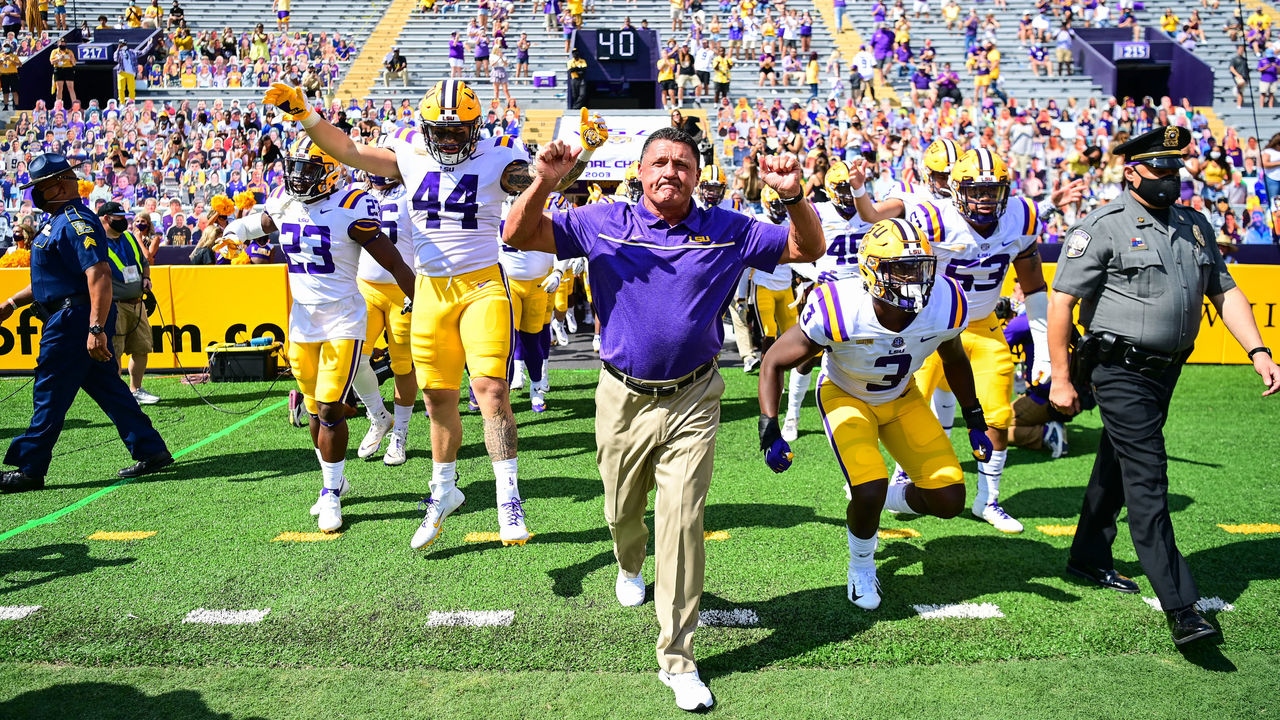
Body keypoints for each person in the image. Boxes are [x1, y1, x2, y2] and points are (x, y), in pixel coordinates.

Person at [502, 126, 824, 712]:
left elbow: (806, 250)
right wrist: (546, 182)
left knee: (682, 523)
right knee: (622, 509)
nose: (670, 171)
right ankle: (629, 561)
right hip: (620, 395)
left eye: (681, 162)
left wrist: (794, 197)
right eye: (659, 162)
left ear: (697, 176)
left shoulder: (730, 229)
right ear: (641, 171)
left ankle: (678, 658)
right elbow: (518, 233)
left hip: (695, 400)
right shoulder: (601, 222)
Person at [264, 80, 596, 549]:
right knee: (438, 401)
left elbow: (555, 181)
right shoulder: (409, 153)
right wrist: (305, 115)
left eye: (458, 131)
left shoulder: (499, 156)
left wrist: (576, 159)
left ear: (474, 126)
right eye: (441, 131)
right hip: (430, 292)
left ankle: (509, 498)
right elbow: (350, 150)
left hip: (482, 285)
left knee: (491, 391)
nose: (449, 140)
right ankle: (443, 490)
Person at [1047, 126, 1280, 647]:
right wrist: (1061, 378)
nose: (1171, 179)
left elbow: (1225, 291)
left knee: (1120, 458)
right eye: (1160, 170)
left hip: (1168, 369)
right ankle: (1182, 607)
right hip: (1118, 368)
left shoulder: (1193, 225)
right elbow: (1061, 301)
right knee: (1148, 477)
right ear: (1131, 172)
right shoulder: (1101, 226)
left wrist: (1259, 351)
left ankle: (1087, 554)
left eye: (1176, 170)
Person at [759, 218, 992, 611]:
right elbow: (774, 361)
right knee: (868, 488)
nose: (914, 278)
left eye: (919, 267)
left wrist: (974, 419)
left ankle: (889, 498)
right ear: (872, 270)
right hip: (845, 395)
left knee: (949, 500)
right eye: (900, 268)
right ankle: (862, 566)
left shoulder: (946, 300)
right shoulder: (840, 305)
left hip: (902, 397)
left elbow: (953, 358)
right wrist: (769, 426)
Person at [221, 137, 416, 533]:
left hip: (343, 318)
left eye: (307, 170)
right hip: (302, 321)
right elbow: (258, 223)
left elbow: (391, 258)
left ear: (330, 172)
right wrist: (232, 233)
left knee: (330, 408)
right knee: (312, 410)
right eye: (294, 168)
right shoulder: (287, 202)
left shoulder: (351, 205)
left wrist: (419, 298)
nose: (297, 177)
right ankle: (335, 477)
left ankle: (330, 492)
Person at [0, 153, 172, 493]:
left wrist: (95, 328)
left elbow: (99, 274)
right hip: (72, 315)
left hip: (74, 320)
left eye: (40, 186)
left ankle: (30, 467)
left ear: (60, 184)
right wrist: (11, 303)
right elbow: (53, 279)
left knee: (49, 391)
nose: (34, 193)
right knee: (108, 389)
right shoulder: (58, 220)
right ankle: (151, 449)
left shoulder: (77, 220)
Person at [352, 164, 419, 466]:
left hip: (401, 289)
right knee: (353, 358)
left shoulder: (412, 194)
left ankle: (400, 435)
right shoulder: (354, 195)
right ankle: (379, 416)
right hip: (366, 286)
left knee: (403, 365)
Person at [97, 201, 160, 405]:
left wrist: (146, 278)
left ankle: (136, 389)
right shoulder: (97, 243)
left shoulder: (130, 238)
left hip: (137, 303)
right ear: (106, 219)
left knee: (142, 347)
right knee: (114, 352)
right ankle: (117, 396)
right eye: (119, 217)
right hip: (114, 305)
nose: (125, 221)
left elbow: (144, 262)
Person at [50, 39, 78, 106]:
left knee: (71, 87)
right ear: (58, 44)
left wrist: (71, 59)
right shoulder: (54, 52)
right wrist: (59, 58)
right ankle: (58, 105)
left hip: (68, 69)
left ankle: (75, 104)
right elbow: (52, 62)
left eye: (64, 43)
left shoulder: (69, 52)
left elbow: (74, 63)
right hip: (58, 69)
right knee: (59, 88)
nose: (62, 44)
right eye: (61, 43)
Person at [0, 41, 19, 111]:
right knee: (5, 92)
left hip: (13, 75)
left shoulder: (14, 56)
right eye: (5, 46)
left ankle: (16, 106)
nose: (6, 48)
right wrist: (1, 61)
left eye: (7, 46)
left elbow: (19, 64)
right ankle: (6, 106)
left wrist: (10, 60)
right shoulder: (1, 55)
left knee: (14, 91)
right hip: (4, 75)